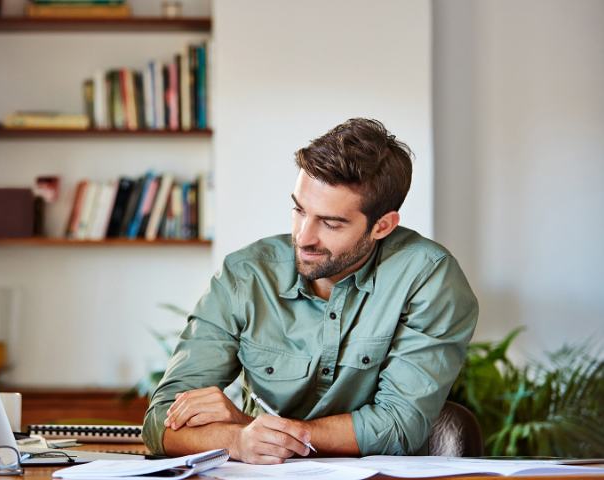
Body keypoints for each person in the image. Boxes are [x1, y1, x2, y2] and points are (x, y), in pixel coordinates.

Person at [142, 118, 478, 464]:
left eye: (331, 223)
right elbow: (160, 423)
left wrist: (258, 428)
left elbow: (398, 427)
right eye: (299, 210)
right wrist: (238, 440)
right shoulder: (245, 276)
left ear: (382, 226)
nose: (303, 237)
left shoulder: (428, 277)